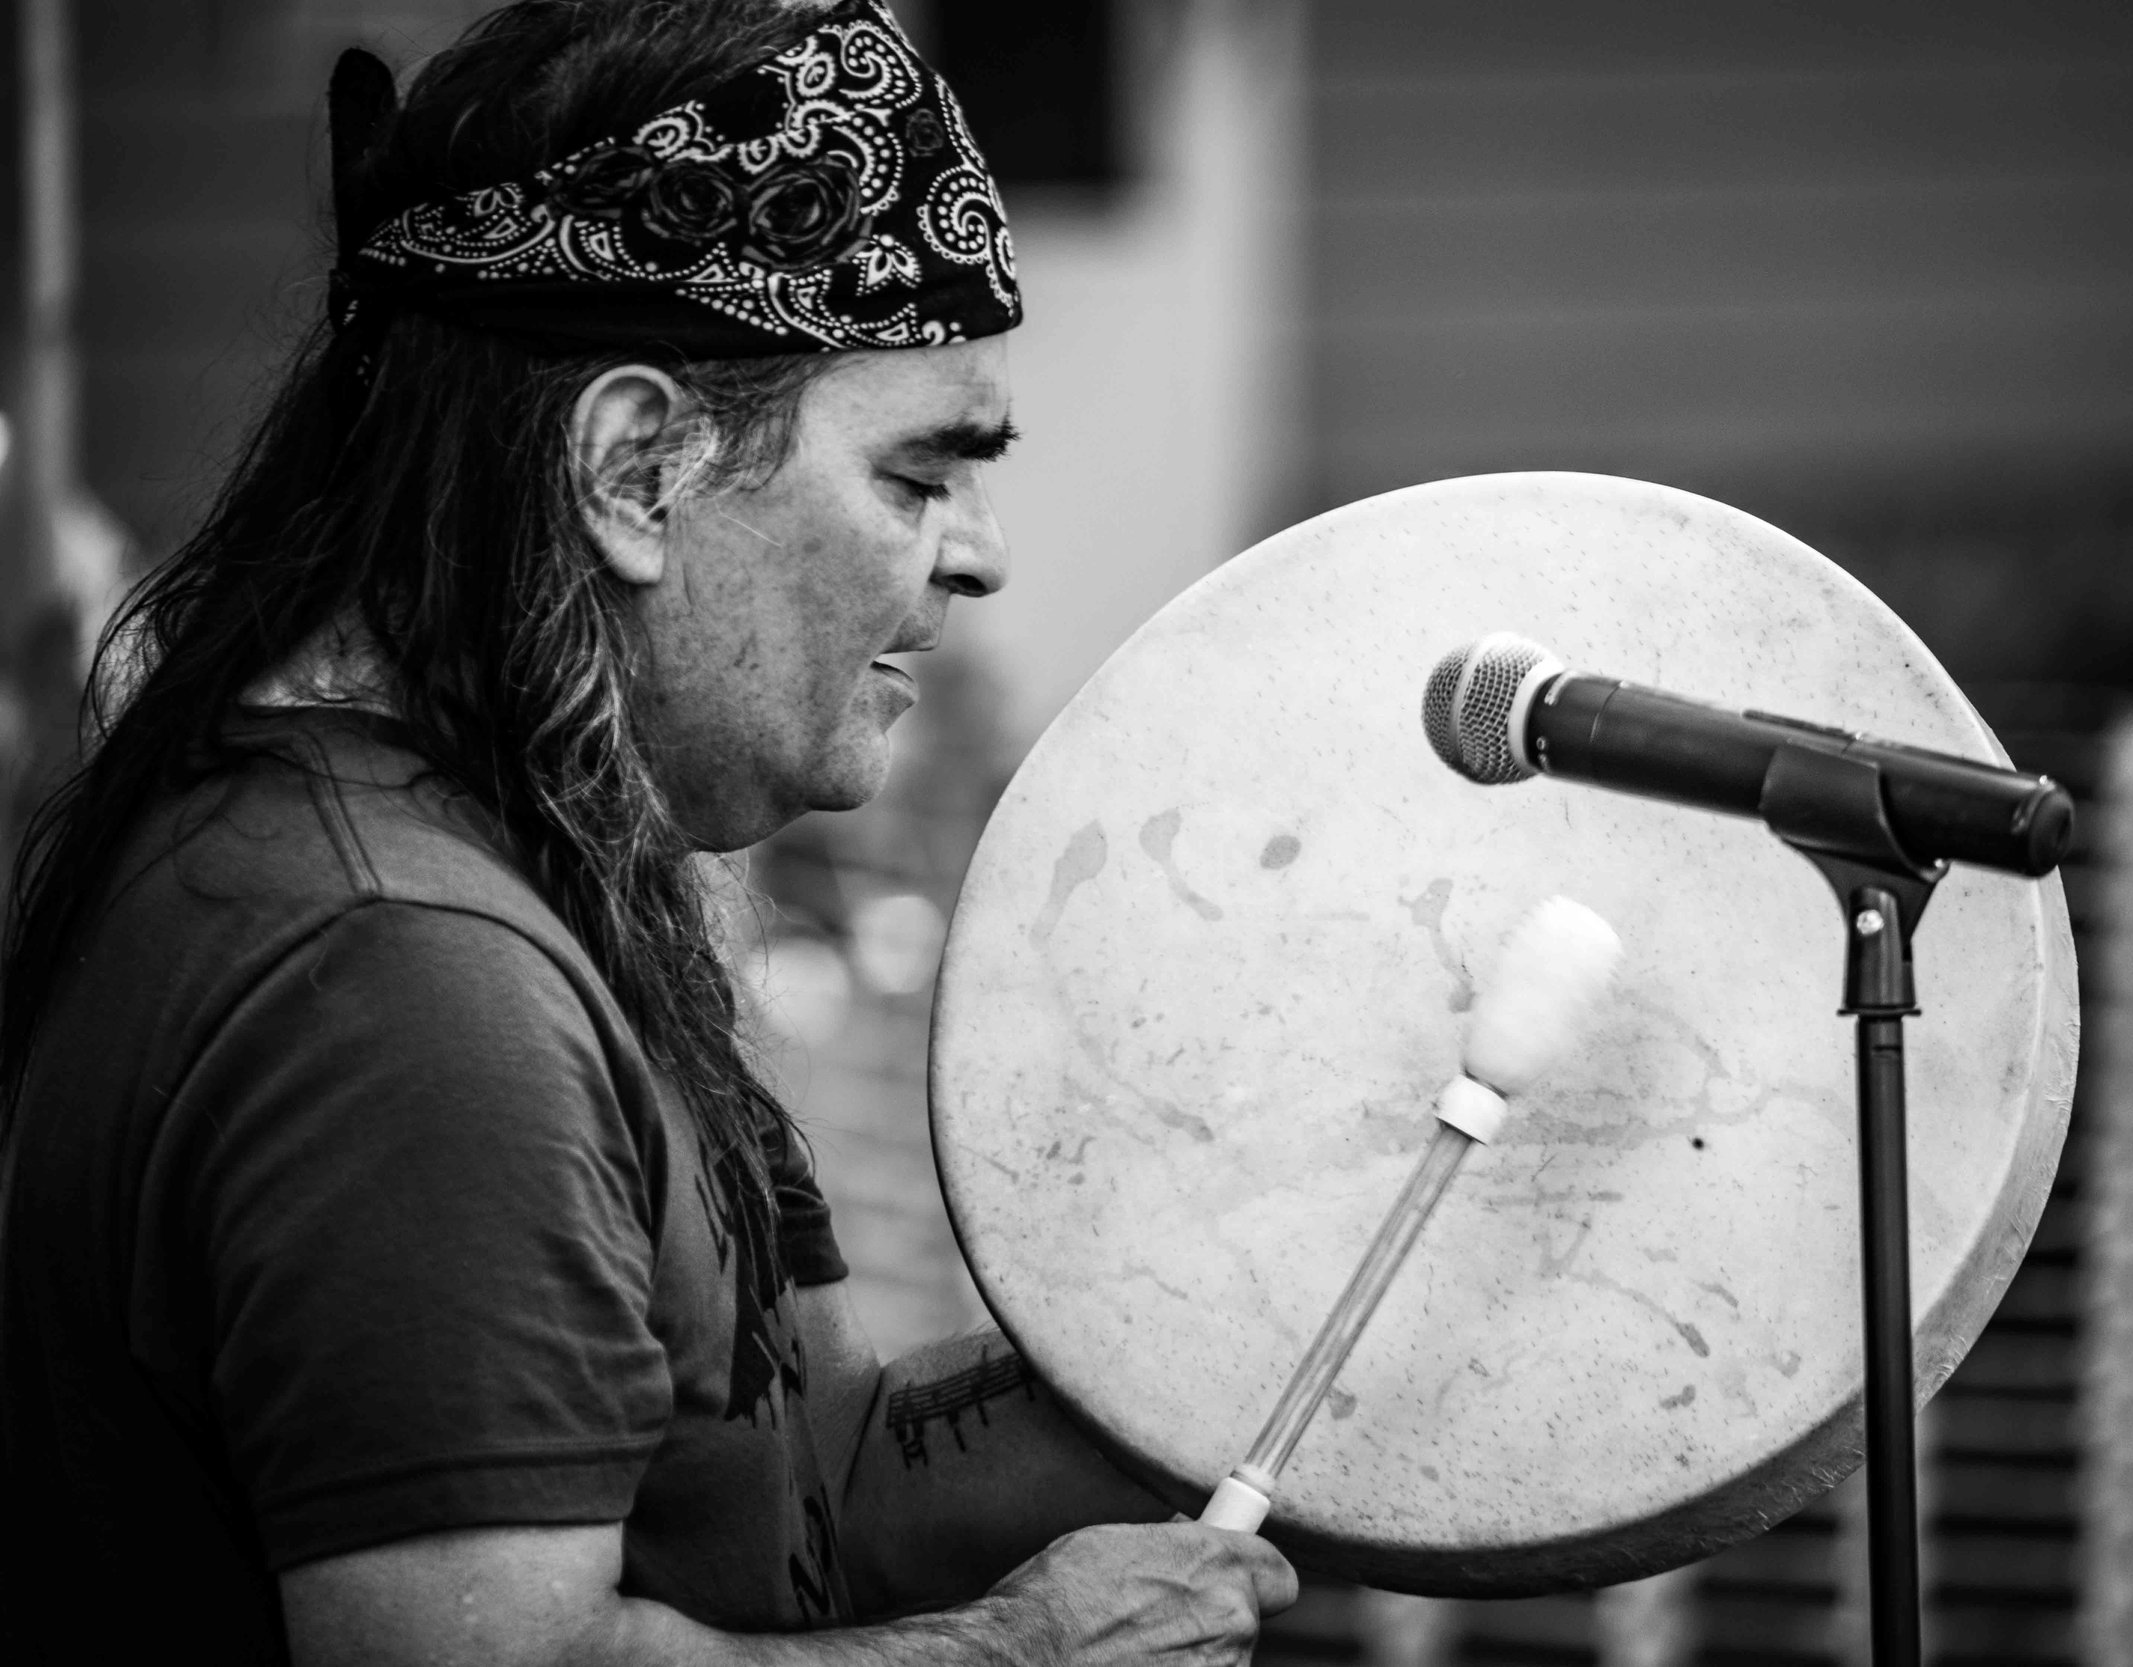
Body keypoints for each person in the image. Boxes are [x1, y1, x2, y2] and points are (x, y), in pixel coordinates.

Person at [0, 2, 1296, 1661]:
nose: (981, 558)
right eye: (917, 476)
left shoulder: (537, 867)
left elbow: (822, 1469)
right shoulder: (396, 976)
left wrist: (1288, 1306)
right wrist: (1017, 1655)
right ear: (630, 468)